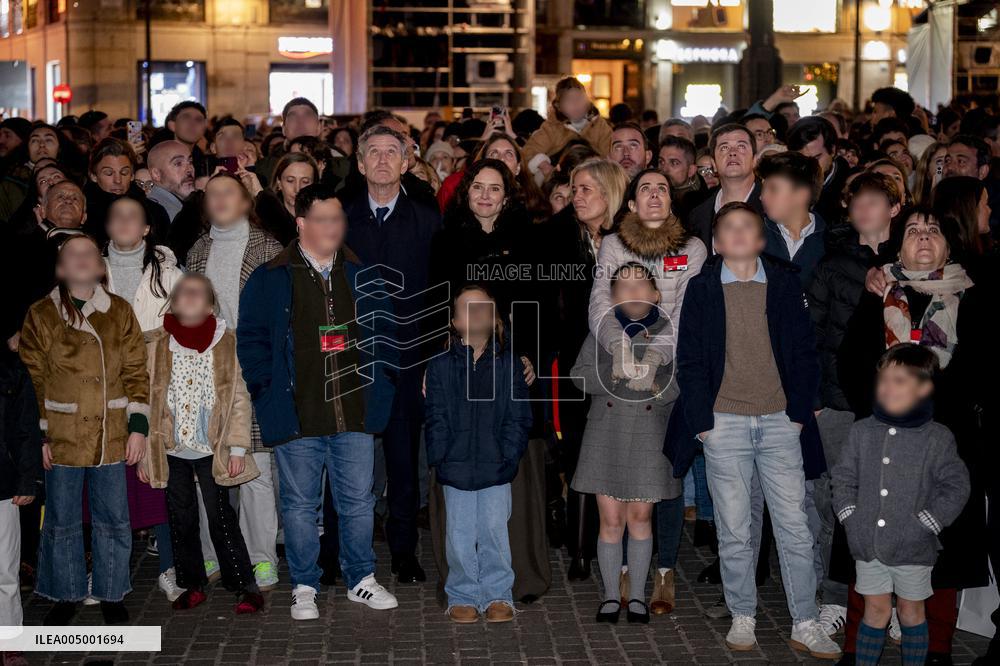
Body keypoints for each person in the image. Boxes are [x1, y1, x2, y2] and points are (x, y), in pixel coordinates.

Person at [667, 202, 840, 659]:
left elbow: (805, 352)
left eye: (749, 227)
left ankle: (805, 620)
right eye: (730, 229)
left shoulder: (783, 284)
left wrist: (798, 412)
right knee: (735, 528)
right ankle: (743, 613)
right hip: (723, 424)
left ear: (762, 239)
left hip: (780, 422)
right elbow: (690, 361)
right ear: (717, 244)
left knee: (795, 527)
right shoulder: (703, 288)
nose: (740, 235)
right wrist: (703, 424)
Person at [238, 183, 400, 620]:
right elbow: (251, 339)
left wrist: (380, 383)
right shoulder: (271, 275)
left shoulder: (360, 273)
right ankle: (304, 584)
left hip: (354, 412)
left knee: (358, 501)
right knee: (299, 505)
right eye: (323, 219)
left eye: (338, 219)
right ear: (302, 223)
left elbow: (386, 335)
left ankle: (360, 578)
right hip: (297, 412)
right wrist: (265, 390)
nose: (333, 227)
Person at [838, 208, 991, 664]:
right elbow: (850, 364)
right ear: (898, 245)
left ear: (949, 243)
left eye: (933, 230)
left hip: (948, 439)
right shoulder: (878, 292)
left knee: (941, 551)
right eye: (913, 231)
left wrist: (937, 408)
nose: (923, 238)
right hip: (880, 437)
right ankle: (856, 648)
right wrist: (886, 409)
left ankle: (937, 648)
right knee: (865, 550)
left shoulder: (974, 293)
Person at [18, 234, 150, 626]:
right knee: (60, 518)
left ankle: (111, 591)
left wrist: (137, 428)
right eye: (70, 254)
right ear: (60, 267)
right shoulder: (41, 314)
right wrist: (40, 435)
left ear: (100, 266)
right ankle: (65, 591)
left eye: (88, 253)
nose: (80, 259)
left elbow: (136, 371)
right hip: (62, 435)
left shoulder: (120, 312)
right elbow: (32, 380)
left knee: (113, 516)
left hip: (110, 432)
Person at [345, 124, 442, 584]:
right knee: (349, 462)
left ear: (406, 163)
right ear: (360, 163)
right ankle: (344, 554)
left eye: (392, 153)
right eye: (374, 153)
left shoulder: (427, 218)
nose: (383, 160)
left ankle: (404, 553)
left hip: (409, 359)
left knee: (404, 463)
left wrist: (429, 360)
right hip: (352, 359)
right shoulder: (339, 218)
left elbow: (439, 295)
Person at [832, 344, 970, 666]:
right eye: (883, 379)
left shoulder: (937, 437)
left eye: (899, 380)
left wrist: (929, 522)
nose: (887, 387)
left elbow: (956, 485)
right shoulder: (861, 431)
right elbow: (842, 477)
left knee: (911, 613)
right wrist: (850, 515)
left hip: (913, 547)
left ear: (924, 387)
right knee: (875, 610)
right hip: (868, 545)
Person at [806, 171, 902, 636]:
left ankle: (898, 601)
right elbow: (814, 334)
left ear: (894, 209)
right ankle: (834, 596)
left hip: (898, 403)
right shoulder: (832, 263)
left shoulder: (912, 259)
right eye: (856, 202)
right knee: (836, 505)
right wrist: (820, 399)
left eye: (874, 201)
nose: (863, 209)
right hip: (841, 403)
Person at [138, 273, 264, 614]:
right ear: (174, 303)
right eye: (182, 293)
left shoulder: (227, 342)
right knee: (181, 517)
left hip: (214, 448)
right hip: (172, 447)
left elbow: (239, 398)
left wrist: (238, 448)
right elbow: (147, 400)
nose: (189, 297)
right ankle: (192, 582)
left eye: (197, 294)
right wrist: (146, 454)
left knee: (221, 516)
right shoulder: (157, 344)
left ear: (210, 305)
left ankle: (243, 584)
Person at [185, 172, 282, 591]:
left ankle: (262, 558)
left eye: (230, 192)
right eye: (212, 195)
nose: (220, 200)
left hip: (255, 371)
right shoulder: (195, 252)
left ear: (246, 201)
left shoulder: (269, 249)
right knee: (206, 468)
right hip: (205, 375)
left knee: (258, 471)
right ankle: (212, 554)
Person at [572, 263, 682, 623]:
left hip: (650, 434)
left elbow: (684, 381)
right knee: (611, 520)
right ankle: (609, 595)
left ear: (655, 295)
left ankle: (636, 596)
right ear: (613, 296)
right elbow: (578, 374)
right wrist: (610, 374)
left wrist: (656, 387)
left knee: (640, 517)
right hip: (606, 432)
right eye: (623, 287)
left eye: (641, 286)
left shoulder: (670, 332)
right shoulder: (603, 332)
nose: (633, 293)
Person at [424, 285, 533, 624]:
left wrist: (509, 455)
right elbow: (435, 416)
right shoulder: (440, 366)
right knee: (458, 535)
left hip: (496, 466)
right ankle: (462, 593)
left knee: (494, 532)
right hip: (454, 465)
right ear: (455, 321)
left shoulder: (509, 364)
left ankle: (498, 593)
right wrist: (440, 456)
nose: (476, 314)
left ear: (495, 317)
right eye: (467, 308)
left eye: (483, 307)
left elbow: (519, 415)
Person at [544, 158, 629, 582]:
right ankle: (580, 548)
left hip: (623, 358)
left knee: (619, 449)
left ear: (610, 193)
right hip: (573, 358)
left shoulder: (633, 237)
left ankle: (615, 545)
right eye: (574, 189)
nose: (576, 197)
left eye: (585, 190)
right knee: (577, 449)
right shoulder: (557, 237)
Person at [0, 347, 42, 666]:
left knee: (6, 571)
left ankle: (10, 641)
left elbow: (25, 425)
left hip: (3, 483)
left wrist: (27, 478)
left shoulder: (10, 366)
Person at [686, 124, 762, 250]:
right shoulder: (698, 216)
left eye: (741, 146)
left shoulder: (774, 207)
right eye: (724, 147)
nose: (732, 153)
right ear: (714, 164)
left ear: (755, 160)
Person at [522, 76, 613, 180]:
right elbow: (528, 152)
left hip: (593, 177)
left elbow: (611, 154)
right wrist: (546, 168)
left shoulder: (599, 126)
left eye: (579, 98)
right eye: (569, 100)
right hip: (559, 179)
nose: (576, 104)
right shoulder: (552, 127)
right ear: (558, 106)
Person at [758, 151, 827, 287]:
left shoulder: (830, 244)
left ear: (801, 195)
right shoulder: (752, 234)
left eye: (773, 189)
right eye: (763, 188)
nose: (762, 196)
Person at [84, 137, 170, 245]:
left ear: (132, 175)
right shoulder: (83, 210)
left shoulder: (154, 212)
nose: (118, 180)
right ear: (93, 176)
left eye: (124, 172)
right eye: (109, 173)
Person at [786, 117, 850, 228]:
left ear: (833, 150)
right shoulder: (784, 184)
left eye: (816, 158)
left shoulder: (849, 183)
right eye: (801, 160)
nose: (808, 166)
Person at [255, 152, 319, 246]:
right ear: (279, 183)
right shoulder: (260, 221)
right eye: (290, 180)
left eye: (305, 182)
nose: (297, 189)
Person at [658, 135, 710, 221]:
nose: (664, 169)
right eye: (661, 162)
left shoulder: (703, 206)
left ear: (691, 170)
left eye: (674, 163)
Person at [166, 101, 209, 177]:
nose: (193, 123)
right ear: (172, 125)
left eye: (198, 120)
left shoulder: (207, 164)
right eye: (186, 118)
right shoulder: (158, 159)